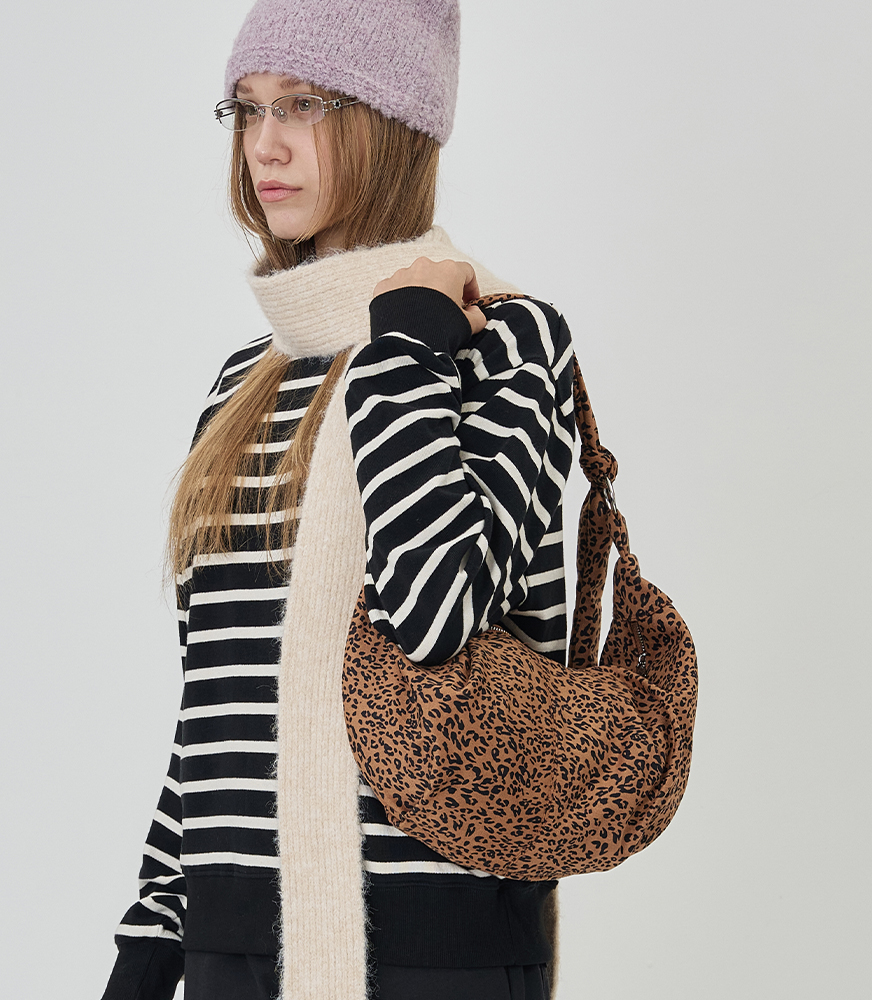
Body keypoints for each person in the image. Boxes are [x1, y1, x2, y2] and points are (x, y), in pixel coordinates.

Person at [100, 2, 576, 998]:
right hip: (230, 943)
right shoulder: (245, 383)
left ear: (393, 123)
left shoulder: (504, 342)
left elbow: (436, 615)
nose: (263, 145)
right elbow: (217, 713)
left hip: (436, 954)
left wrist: (402, 347)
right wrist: (147, 946)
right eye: (245, 107)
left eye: (303, 105)